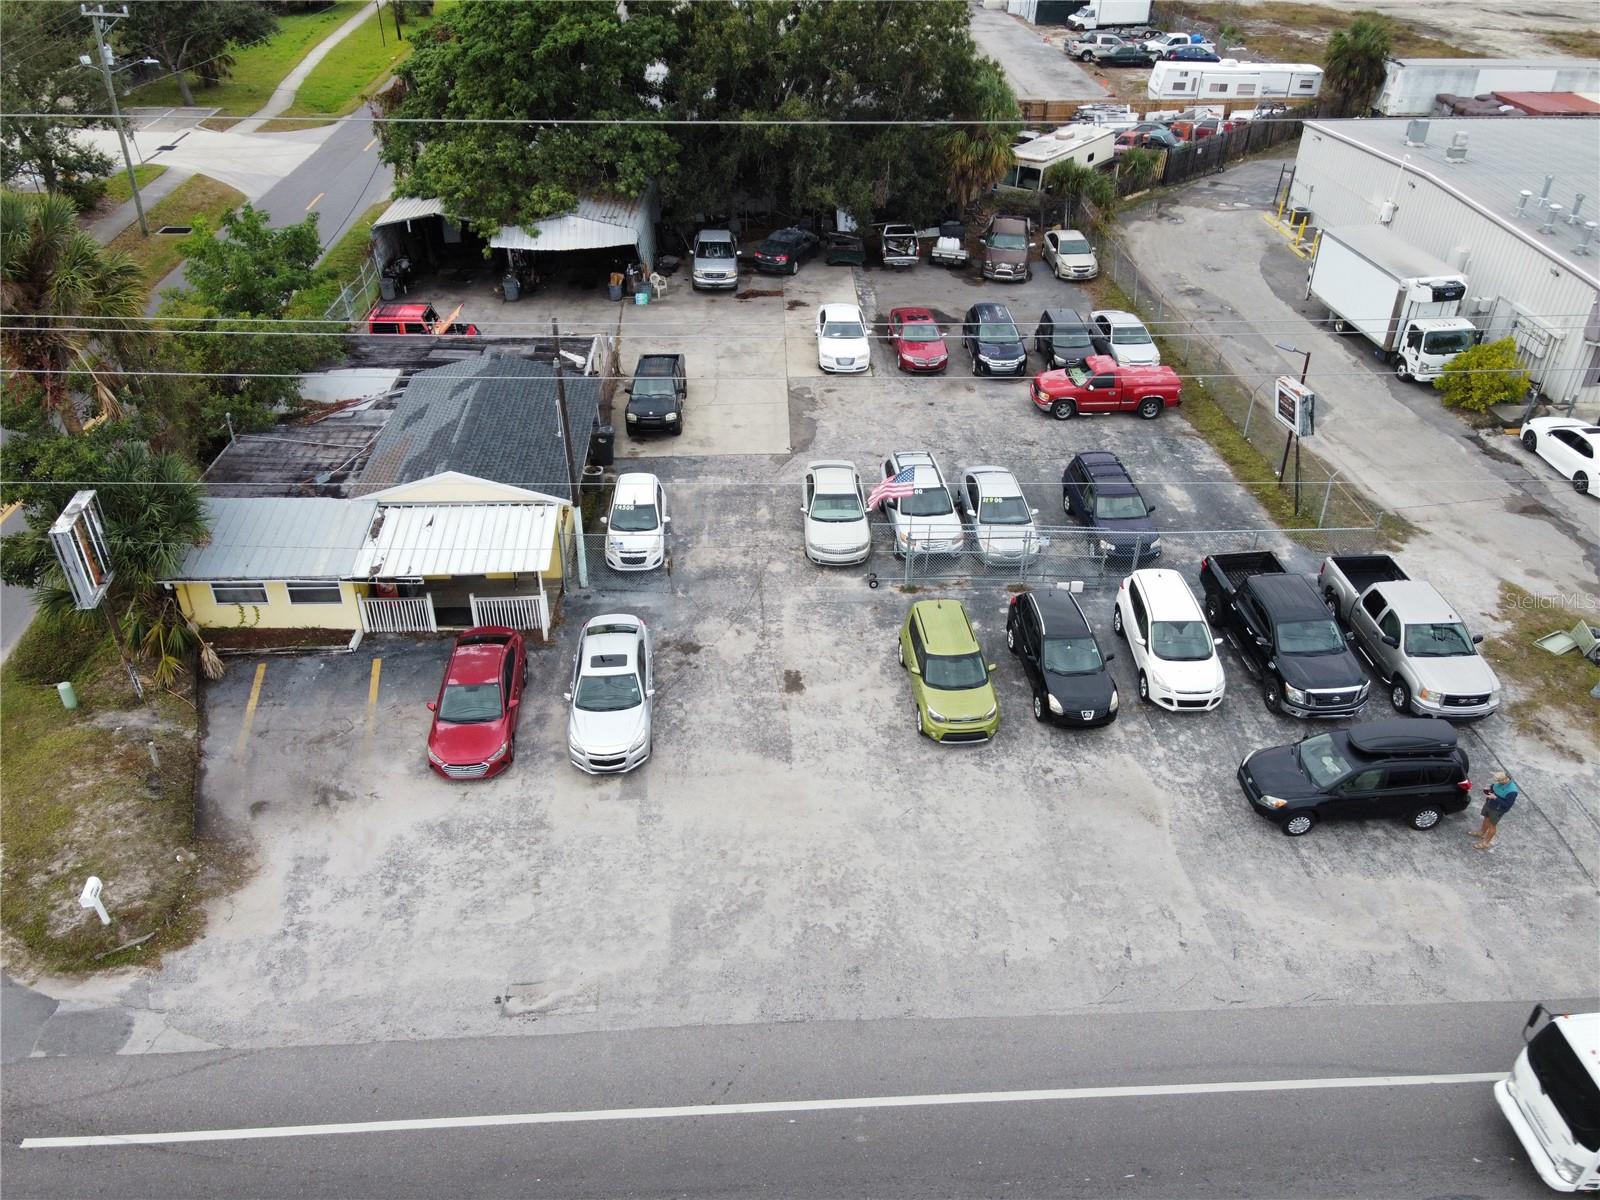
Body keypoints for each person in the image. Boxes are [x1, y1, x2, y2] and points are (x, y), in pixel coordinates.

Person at [1469, 770, 1519, 850]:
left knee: (1492, 825)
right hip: (1489, 804)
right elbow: (1492, 788)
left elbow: (1507, 805)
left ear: (1504, 779)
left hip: (1497, 810)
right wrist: (1488, 790)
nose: (1497, 783)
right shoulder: (1499, 783)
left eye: (1499, 781)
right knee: (1486, 819)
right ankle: (1482, 833)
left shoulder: (1512, 791)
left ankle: (1486, 843)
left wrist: (1495, 798)